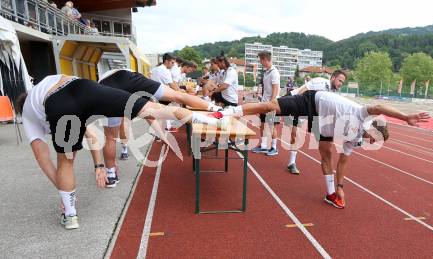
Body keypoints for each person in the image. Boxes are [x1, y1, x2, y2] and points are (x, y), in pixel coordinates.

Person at [16, 74, 223, 230]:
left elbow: (43, 159)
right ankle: (210, 117)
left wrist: (65, 192)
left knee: (65, 162)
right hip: (84, 86)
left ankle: (70, 215)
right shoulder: (45, 88)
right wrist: (98, 167)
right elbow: (91, 136)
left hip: (58, 101)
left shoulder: (30, 114)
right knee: (148, 108)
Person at [218, 89, 430, 209]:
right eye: (373, 141)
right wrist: (405, 117)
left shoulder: (354, 140)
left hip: (324, 125)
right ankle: (229, 112)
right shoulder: (361, 114)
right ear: (371, 131)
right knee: (273, 106)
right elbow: (380, 107)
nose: (372, 144)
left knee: (327, 153)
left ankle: (330, 194)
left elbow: (343, 162)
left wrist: (341, 187)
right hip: (314, 102)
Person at [98, 68, 222, 187]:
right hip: (125, 76)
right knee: (177, 95)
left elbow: (148, 116)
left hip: (105, 87)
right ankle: (218, 110)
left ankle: (111, 174)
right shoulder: (139, 84)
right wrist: (163, 136)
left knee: (110, 137)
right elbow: (149, 115)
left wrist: (162, 135)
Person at [287, 71, 346, 174]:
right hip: (297, 102)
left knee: (325, 141)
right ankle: (291, 163)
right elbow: (302, 90)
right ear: (333, 78)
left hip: (312, 111)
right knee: (295, 135)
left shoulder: (335, 93)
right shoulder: (322, 83)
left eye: (342, 82)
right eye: (339, 80)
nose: (341, 84)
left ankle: (327, 164)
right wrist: (294, 105)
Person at [251, 51, 281, 156]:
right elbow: (266, 89)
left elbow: (275, 89)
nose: (260, 62)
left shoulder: (274, 72)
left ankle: (274, 147)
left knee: (272, 126)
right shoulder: (266, 72)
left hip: (272, 104)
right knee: (263, 125)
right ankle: (263, 145)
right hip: (264, 103)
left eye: (260, 60)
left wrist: (271, 104)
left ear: (265, 59)